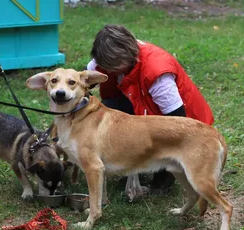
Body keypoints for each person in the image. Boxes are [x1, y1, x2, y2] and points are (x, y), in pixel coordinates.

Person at [87, 24, 214, 194]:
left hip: (183, 124)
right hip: (141, 109)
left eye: (115, 67)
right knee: (106, 112)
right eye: (106, 66)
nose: (109, 70)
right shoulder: (103, 60)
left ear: (130, 57)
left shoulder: (157, 72)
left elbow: (178, 121)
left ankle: (166, 171)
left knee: (159, 187)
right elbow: (82, 86)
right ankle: (131, 161)